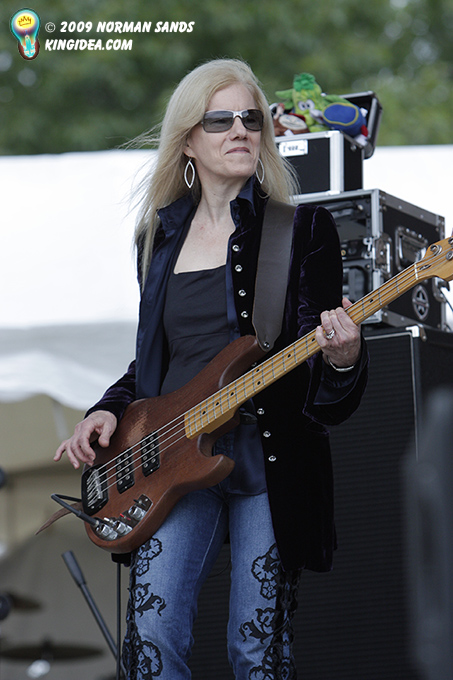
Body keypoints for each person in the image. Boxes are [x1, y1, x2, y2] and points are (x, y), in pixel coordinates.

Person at [54, 58, 368, 680]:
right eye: (220, 120)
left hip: (267, 457)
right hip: (172, 457)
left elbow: (322, 379)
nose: (241, 130)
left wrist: (343, 358)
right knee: (151, 640)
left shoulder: (301, 228)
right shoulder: (157, 238)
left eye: (251, 118)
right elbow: (157, 359)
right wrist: (107, 409)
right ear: (188, 141)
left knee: (257, 649)